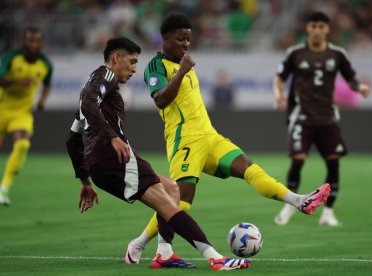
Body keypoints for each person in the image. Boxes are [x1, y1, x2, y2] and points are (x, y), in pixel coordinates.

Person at [124, 13, 331, 264]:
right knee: (180, 202)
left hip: (210, 136)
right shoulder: (156, 67)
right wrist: (182, 71)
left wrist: (184, 69)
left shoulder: (183, 63)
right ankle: (141, 245)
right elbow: (161, 99)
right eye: (180, 39)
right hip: (185, 140)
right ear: (165, 39)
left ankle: (299, 201)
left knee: (248, 168)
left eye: (189, 40)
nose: (186, 44)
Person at [65, 37, 251, 271]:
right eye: (131, 62)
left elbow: (72, 139)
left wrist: (85, 181)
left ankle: (164, 253)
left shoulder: (90, 87)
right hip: (114, 158)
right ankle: (215, 258)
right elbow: (90, 104)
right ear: (115, 58)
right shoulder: (106, 76)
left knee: (172, 189)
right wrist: (113, 137)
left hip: (102, 162)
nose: (134, 69)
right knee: (168, 206)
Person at [272, 12, 370, 227]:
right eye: (313, 25)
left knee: (333, 163)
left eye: (321, 26)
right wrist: (278, 95)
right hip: (302, 117)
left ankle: (328, 212)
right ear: (307, 28)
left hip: (327, 117)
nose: (317, 30)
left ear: (327, 29)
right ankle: (290, 205)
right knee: (298, 160)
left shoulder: (337, 54)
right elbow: (279, 77)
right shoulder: (295, 53)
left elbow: (350, 77)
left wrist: (359, 87)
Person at [0, 27, 53, 206]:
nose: (34, 44)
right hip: (1, 108)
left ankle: (3, 189)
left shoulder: (45, 64)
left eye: (37, 41)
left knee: (22, 144)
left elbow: (47, 84)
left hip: (22, 112)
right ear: (24, 42)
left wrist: (42, 100)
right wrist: (17, 82)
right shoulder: (11, 57)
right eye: (30, 40)